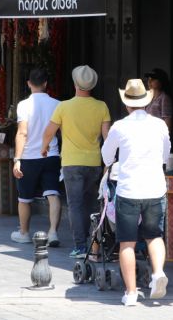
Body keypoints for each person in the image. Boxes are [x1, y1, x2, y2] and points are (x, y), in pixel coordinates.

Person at [101, 78, 171, 307]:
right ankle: (158, 272)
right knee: (154, 236)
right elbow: (165, 155)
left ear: (127, 104)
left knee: (127, 243)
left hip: (129, 189)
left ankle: (131, 293)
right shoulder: (159, 125)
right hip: (154, 188)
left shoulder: (120, 126)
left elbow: (107, 157)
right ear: (146, 102)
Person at [41, 65, 111, 258]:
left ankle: (80, 247)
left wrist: (44, 148)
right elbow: (107, 138)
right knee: (90, 205)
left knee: (74, 204)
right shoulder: (101, 106)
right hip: (94, 162)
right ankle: (91, 244)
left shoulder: (63, 106)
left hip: (71, 163)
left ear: (75, 84)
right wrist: (109, 163)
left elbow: (49, 132)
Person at [11, 69, 62, 247]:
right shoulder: (57, 104)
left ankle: (24, 233)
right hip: (51, 155)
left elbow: (22, 133)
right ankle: (53, 232)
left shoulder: (23, 105)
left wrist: (17, 159)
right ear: (46, 84)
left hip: (29, 157)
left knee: (24, 198)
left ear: (29, 83)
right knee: (53, 193)